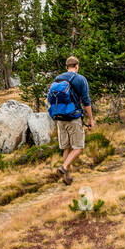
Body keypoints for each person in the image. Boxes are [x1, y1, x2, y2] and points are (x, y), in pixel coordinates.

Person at [50, 56, 94, 185]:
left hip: (59, 118)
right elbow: (86, 101)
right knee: (78, 147)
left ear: (66, 67)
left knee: (66, 148)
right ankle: (64, 168)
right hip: (73, 118)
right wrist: (91, 119)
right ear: (77, 66)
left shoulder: (57, 79)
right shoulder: (81, 79)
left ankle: (66, 178)